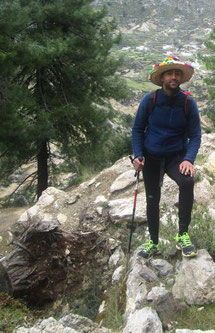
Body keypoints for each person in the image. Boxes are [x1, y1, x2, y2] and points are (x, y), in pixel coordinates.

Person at [132, 56, 201, 258]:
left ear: (181, 77)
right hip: (151, 157)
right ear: (162, 78)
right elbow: (137, 129)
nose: (174, 76)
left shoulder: (188, 103)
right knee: (153, 199)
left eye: (177, 73)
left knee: (187, 182)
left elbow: (196, 135)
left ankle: (183, 235)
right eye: (169, 73)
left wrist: (188, 159)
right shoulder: (150, 100)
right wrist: (138, 155)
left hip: (176, 156)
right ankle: (153, 241)